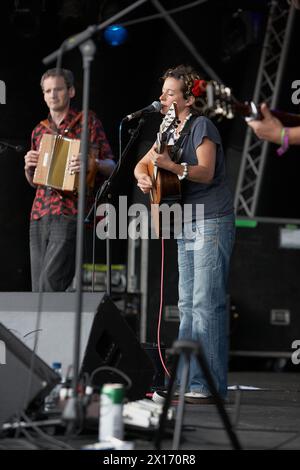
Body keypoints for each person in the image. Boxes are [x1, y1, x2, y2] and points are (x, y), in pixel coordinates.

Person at [134, 64, 235, 403]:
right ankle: (190, 383)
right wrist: (143, 177)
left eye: (170, 93)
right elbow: (141, 165)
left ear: (188, 99)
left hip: (212, 219)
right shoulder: (168, 129)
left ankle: (206, 385)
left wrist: (173, 167)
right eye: (162, 92)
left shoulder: (201, 125)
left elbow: (205, 172)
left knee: (207, 304)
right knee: (188, 305)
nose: (162, 97)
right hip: (185, 221)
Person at [24, 68, 115, 292]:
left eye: (58, 89)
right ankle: (46, 329)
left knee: (50, 284)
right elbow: (35, 182)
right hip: (39, 214)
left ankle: (52, 327)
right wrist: (29, 168)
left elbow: (112, 166)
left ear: (71, 91)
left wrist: (92, 163)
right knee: (38, 291)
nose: (52, 95)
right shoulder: (39, 131)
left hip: (70, 212)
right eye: (47, 91)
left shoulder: (88, 121)